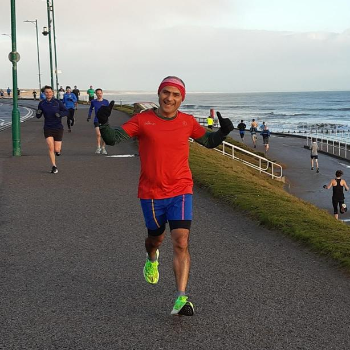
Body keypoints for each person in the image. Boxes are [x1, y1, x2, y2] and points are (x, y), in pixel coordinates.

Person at [97, 76, 234, 316]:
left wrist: (223, 132)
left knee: (181, 240)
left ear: (182, 99)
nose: (170, 98)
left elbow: (209, 142)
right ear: (159, 93)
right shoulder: (143, 120)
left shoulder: (188, 122)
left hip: (181, 190)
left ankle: (181, 299)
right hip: (151, 193)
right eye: (166, 93)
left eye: (176, 95)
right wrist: (104, 123)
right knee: (156, 240)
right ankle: (151, 258)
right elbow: (113, 139)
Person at [36, 85, 69, 174]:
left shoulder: (58, 102)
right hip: (48, 127)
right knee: (50, 147)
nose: (48, 94)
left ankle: (57, 152)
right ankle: (54, 166)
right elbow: (38, 116)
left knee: (57, 149)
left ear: (53, 93)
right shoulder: (42, 103)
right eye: (46, 92)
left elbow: (66, 111)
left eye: (50, 92)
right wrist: (38, 112)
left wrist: (60, 114)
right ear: (44, 93)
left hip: (58, 127)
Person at [87, 88, 108, 154]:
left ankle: (103, 148)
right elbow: (91, 109)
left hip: (104, 120)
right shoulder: (93, 102)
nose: (99, 95)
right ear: (95, 94)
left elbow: (109, 110)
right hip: (97, 119)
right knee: (98, 134)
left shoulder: (106, 102)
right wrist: (89, 116)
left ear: (102, 93)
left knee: (104, 135)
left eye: (100, 93)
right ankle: (98, 147)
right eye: (98, 93)